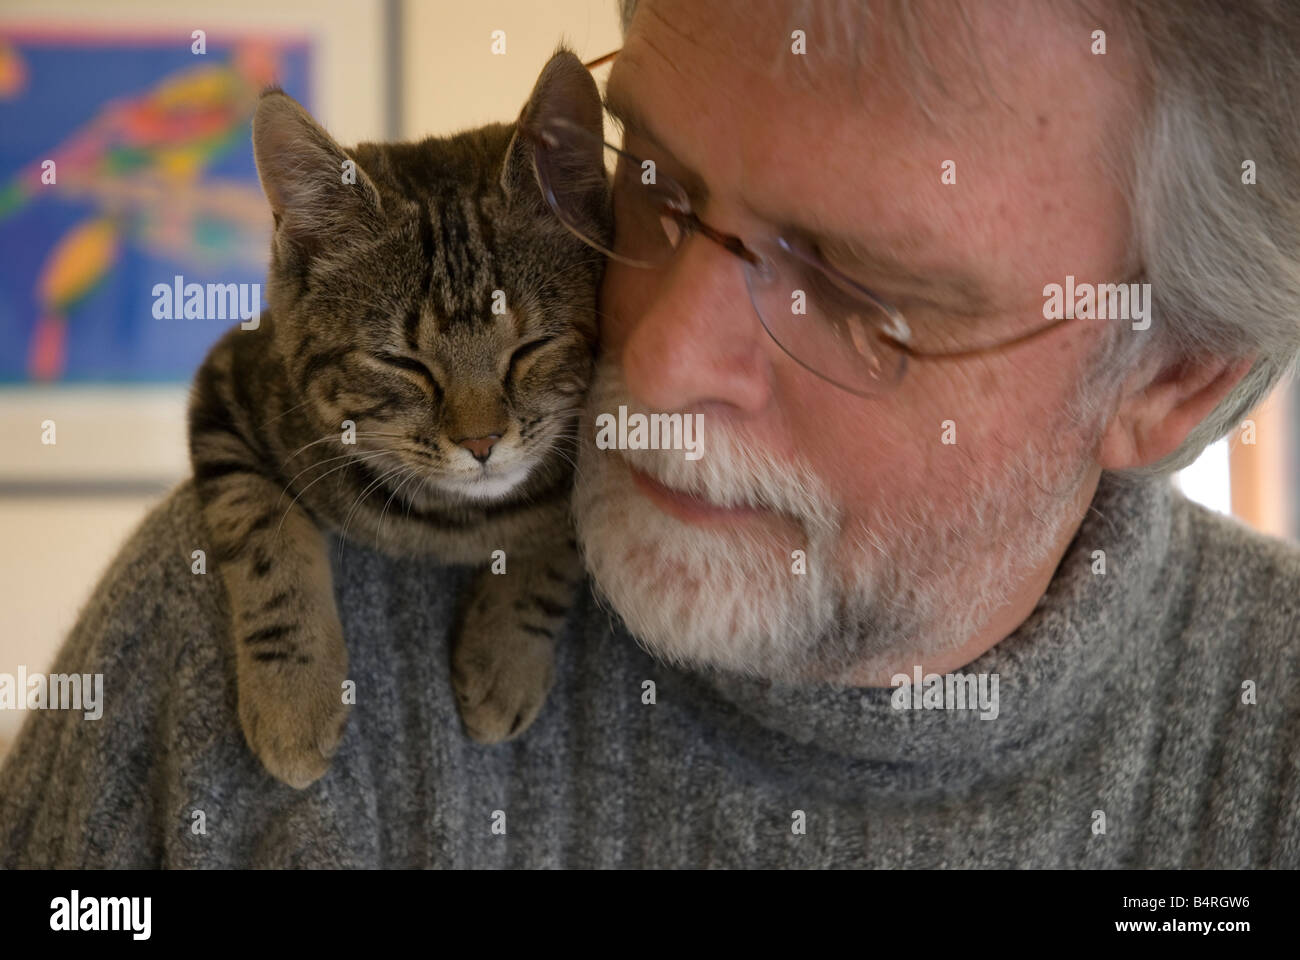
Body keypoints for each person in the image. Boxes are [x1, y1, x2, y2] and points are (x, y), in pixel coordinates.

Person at [2, 0, 1298, 868]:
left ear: (1173, 380)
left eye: (851, 285)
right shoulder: (197, 653)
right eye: (651, 180)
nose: (657, 358)